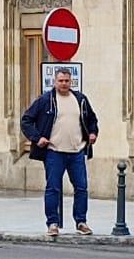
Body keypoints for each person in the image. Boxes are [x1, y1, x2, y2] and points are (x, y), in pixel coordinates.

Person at [20, 67, 99, 238]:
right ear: (55, 82)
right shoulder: (45, 100)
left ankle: (81, 222)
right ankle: (52, 223)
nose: (64, 84)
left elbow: (92, 119)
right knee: (53, 188)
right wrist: (37, 138)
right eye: (61, 81)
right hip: (54, 152)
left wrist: (93, 133)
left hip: (77, 151)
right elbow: (26, 120)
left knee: (81, 188)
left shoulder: (80, 99)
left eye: (67, 81)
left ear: (71, 82)